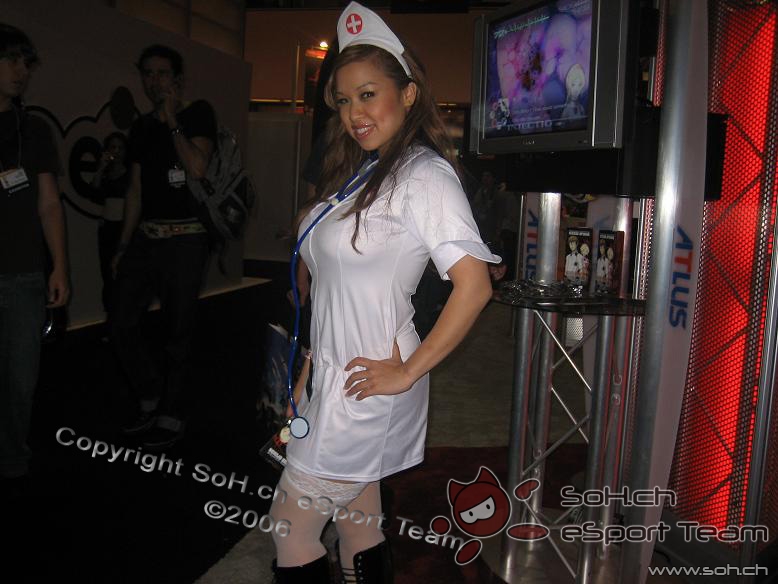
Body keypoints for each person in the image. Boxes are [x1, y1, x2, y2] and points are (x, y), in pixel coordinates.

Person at [268, 3, 500, 582]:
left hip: (368, 385)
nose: (355, 113)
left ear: (409, 93)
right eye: (344, 100)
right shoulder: (362, 175)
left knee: (290, 528)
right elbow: (332, 295)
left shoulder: (424, 176)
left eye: (368, 94)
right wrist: (307, 375)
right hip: (334, 379)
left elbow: (474, 286)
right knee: (358, 521)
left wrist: (408, 372)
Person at [111, 44, 216, 450]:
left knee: (178, 331)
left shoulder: (198, 113)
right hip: (147, 238)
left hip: (187, 240)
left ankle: (171, 412)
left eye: (162, 73)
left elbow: (198, 167)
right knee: (121, 322)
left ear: (178, 80)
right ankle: (150, 393)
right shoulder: (140, 128)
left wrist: (172, 120)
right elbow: (135, 191)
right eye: (148, 73)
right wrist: (123, 244)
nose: (154, 81)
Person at [0, 24, 69, 485]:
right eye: (11, 60)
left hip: (23, 273)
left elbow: (48, 203)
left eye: (26, 63)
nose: (21, 71)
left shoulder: (34, 130)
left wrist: (59, 265)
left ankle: (11, 461)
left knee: (19, 381)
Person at [90, 131, 129, 329]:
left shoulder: (131, 173)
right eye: (113, 147)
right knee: (107, 274)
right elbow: (94, 192)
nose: (117, 151)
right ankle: (111, 320)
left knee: (124, 274)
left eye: (120, 147)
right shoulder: (105, 174)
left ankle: (126, 320)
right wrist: (101, 167)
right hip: (107, 229)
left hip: (125, 228)